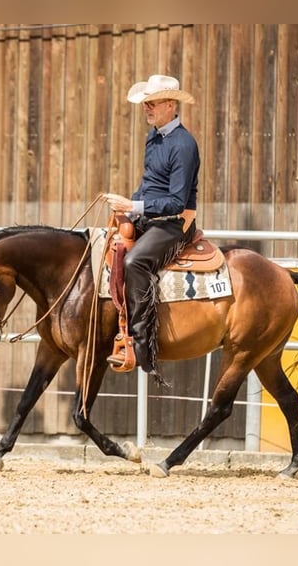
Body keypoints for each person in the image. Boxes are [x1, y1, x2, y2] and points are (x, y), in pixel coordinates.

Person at [104, 74, 200, 376]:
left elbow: (176, 201)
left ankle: (142, 341)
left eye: (152, 103)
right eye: (146, 104)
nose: (147, 109)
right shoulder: (155, 137)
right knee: (108, 244)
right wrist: (130, 208)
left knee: (135, 261)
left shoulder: (183, 145)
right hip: (150, 217)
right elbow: (149, 185)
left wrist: (133, 206)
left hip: (174, 225)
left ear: (170, 105)